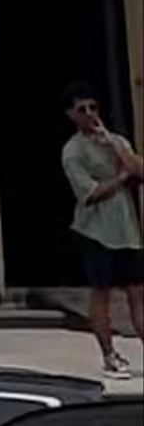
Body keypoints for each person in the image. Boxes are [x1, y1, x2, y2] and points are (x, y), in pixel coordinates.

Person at [62, 93, 144, 372]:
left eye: (93, 107)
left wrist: (112, 144)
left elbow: (139, 169)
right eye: (81, 110)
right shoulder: (73, 151)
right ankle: (109, 355)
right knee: (101, 293)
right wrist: (120, 177)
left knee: (137, 292)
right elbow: (91, 193)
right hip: (95, 231)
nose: (89, 114)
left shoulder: (116, 141)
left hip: (126, 229)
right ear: (72, 115)